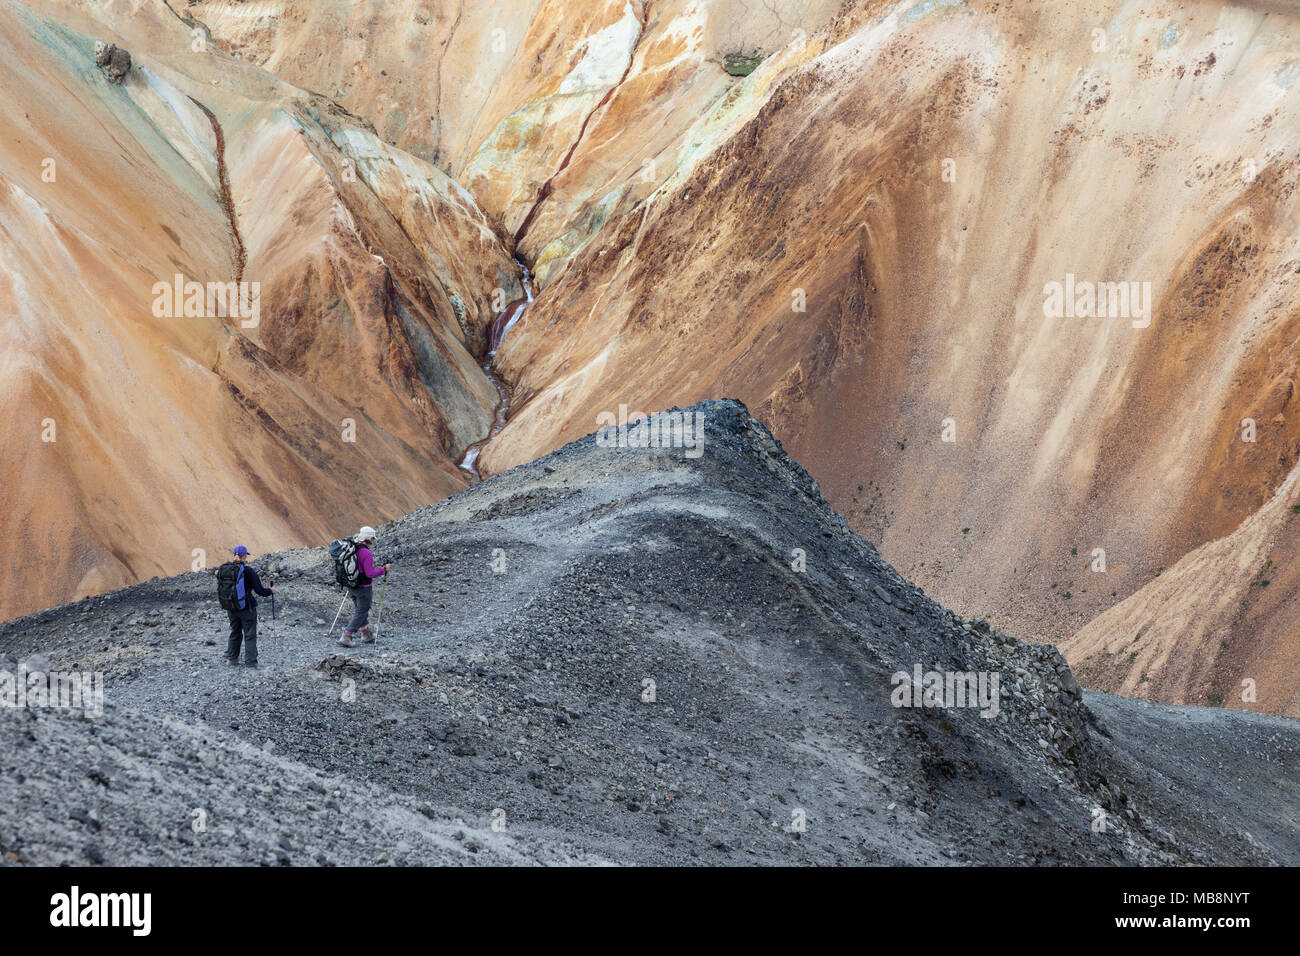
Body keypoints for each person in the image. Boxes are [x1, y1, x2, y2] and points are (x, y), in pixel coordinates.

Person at [219, 545, 275, 667]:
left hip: (231, 607)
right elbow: (260, 590)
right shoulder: (248, 571)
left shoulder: (226, 569)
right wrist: (270, 591)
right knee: (249, 635)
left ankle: (232, 659)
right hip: (246, 608)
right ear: (244, 556)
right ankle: (250, 664)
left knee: (235, 631)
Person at [340, 526, 388, 647]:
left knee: (360, 610)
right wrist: (383, 570)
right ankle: (346, 636)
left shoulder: (352, 548)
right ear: (369, 538)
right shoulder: (366, 553)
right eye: (373, 538)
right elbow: (370, 573)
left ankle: (366, 634)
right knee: (361, 611)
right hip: (364, 587)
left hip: (352, 585)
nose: (373, 540)